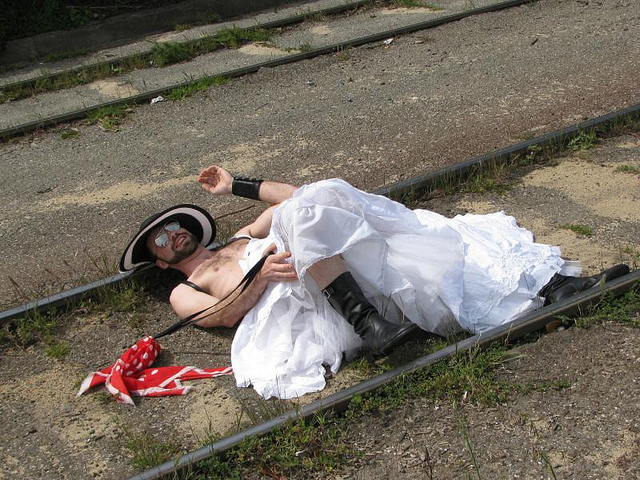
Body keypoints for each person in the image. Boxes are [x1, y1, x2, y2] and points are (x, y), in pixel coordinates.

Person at [119, 166, 629, 399]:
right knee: (322, 225)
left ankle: (551, 290)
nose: (173, 233)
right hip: (294, 297)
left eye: (174, 225)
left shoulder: (239, 237)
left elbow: (301, 197)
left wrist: (238, 186)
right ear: (158, 262)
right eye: (160, 238)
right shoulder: (186, 287)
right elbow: (219, 315)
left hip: (327, 271)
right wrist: (260, 277)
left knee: (344, 213)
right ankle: (366, 321)